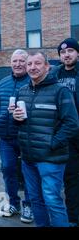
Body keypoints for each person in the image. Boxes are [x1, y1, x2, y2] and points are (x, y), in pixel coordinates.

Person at [13, 51, 79, 227]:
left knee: (53, 201)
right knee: (35, 200)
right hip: (28, 158)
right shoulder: (22, 91)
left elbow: (72, 124)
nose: (32, 67)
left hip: (51, 158)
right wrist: (16, 119)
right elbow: (20, 122)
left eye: (37, 63)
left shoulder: (60, 91)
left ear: (47, 67)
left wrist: (52, 144)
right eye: (29, 64)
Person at [0, 49, 33, 223]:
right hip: (6, 137)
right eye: (14, 61)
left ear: (27, 63)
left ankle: (29, 205)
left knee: (28, 172)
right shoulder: (4, 82)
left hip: (26, 136)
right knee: (8, 169)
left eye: (21, 61)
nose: (17, 64)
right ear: (10, 63)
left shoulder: (32, 82)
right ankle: (13, 202)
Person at [51, 38, 79, 227]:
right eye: (63, 52)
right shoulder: (55, 74)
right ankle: (73, 218)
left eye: (70, 51)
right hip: (64, 133)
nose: (66, 55)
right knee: (70, 177)